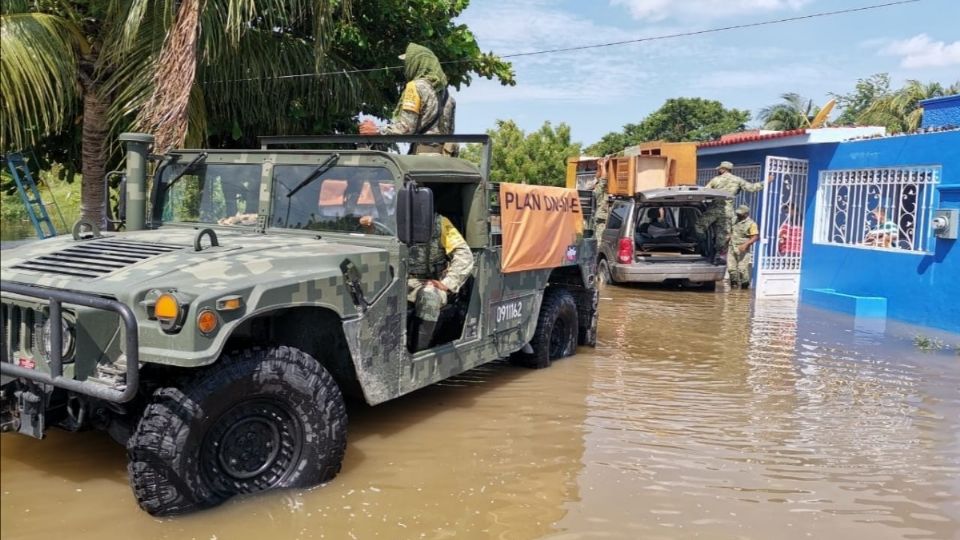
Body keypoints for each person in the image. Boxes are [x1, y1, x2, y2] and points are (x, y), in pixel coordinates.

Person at [359, 43, 457, 156]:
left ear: (416, 63)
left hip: (422, 158)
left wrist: (376, 131)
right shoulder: (448, 96)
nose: (406, 67)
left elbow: (405, 128)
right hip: (445, 158)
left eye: (408, 62)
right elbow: (450, 132)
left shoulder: (415, 87)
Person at [407, 213, 475, 351]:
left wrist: (448, 283)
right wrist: (370, 227)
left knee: (429, 297)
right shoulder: (387, 218)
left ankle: (418, 353)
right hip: (396, 279)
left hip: (427, 282)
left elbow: (464, 255)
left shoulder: (439, 223)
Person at [695, 161, 771, 264]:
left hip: (713, 209)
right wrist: (766, 181)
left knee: (699, 226)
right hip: (727, 211)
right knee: (723, 235)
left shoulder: (716, 180)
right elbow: (752, 188)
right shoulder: (737, 180)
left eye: (719, 169)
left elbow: (705, 192)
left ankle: (702, 248)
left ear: (723, 169)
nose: (718, 171)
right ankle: (717, 255)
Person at [728, 204, 759, 290]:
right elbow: (731, 232)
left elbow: (755, 236)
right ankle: (733, 289)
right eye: (737, 213)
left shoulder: (751, 224)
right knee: (731, 269)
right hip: (731, 247)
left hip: (743, 248)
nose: (738, 215)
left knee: (742, 270)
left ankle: (744, 290)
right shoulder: (734, 220)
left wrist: (746, 244)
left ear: (746, 214)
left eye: (740, 214)